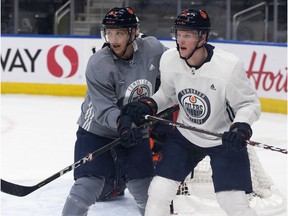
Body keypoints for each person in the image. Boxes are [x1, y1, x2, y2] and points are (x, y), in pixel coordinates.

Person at [119, 9, 261, 216]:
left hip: (222, 139)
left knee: (232, 202)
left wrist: (240, 127)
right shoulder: (169, 59)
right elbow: (167, 94)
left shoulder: (228, 66)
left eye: (188, 35)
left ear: (202, 37)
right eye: (178, 34)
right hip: (186, 136)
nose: (181, 41)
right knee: (158, 192)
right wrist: (148, 104)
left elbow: (249, 104)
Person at [62, 7, 168, 216]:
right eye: (109, 33)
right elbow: (104, 109)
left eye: (119, 32)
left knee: (143, 187)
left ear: (133, 32)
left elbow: (174, 71)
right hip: (97, 131)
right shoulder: (99, 63)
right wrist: (122, 124)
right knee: (88, 185)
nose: (113, 39)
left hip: (136, 129)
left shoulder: (154, 49)